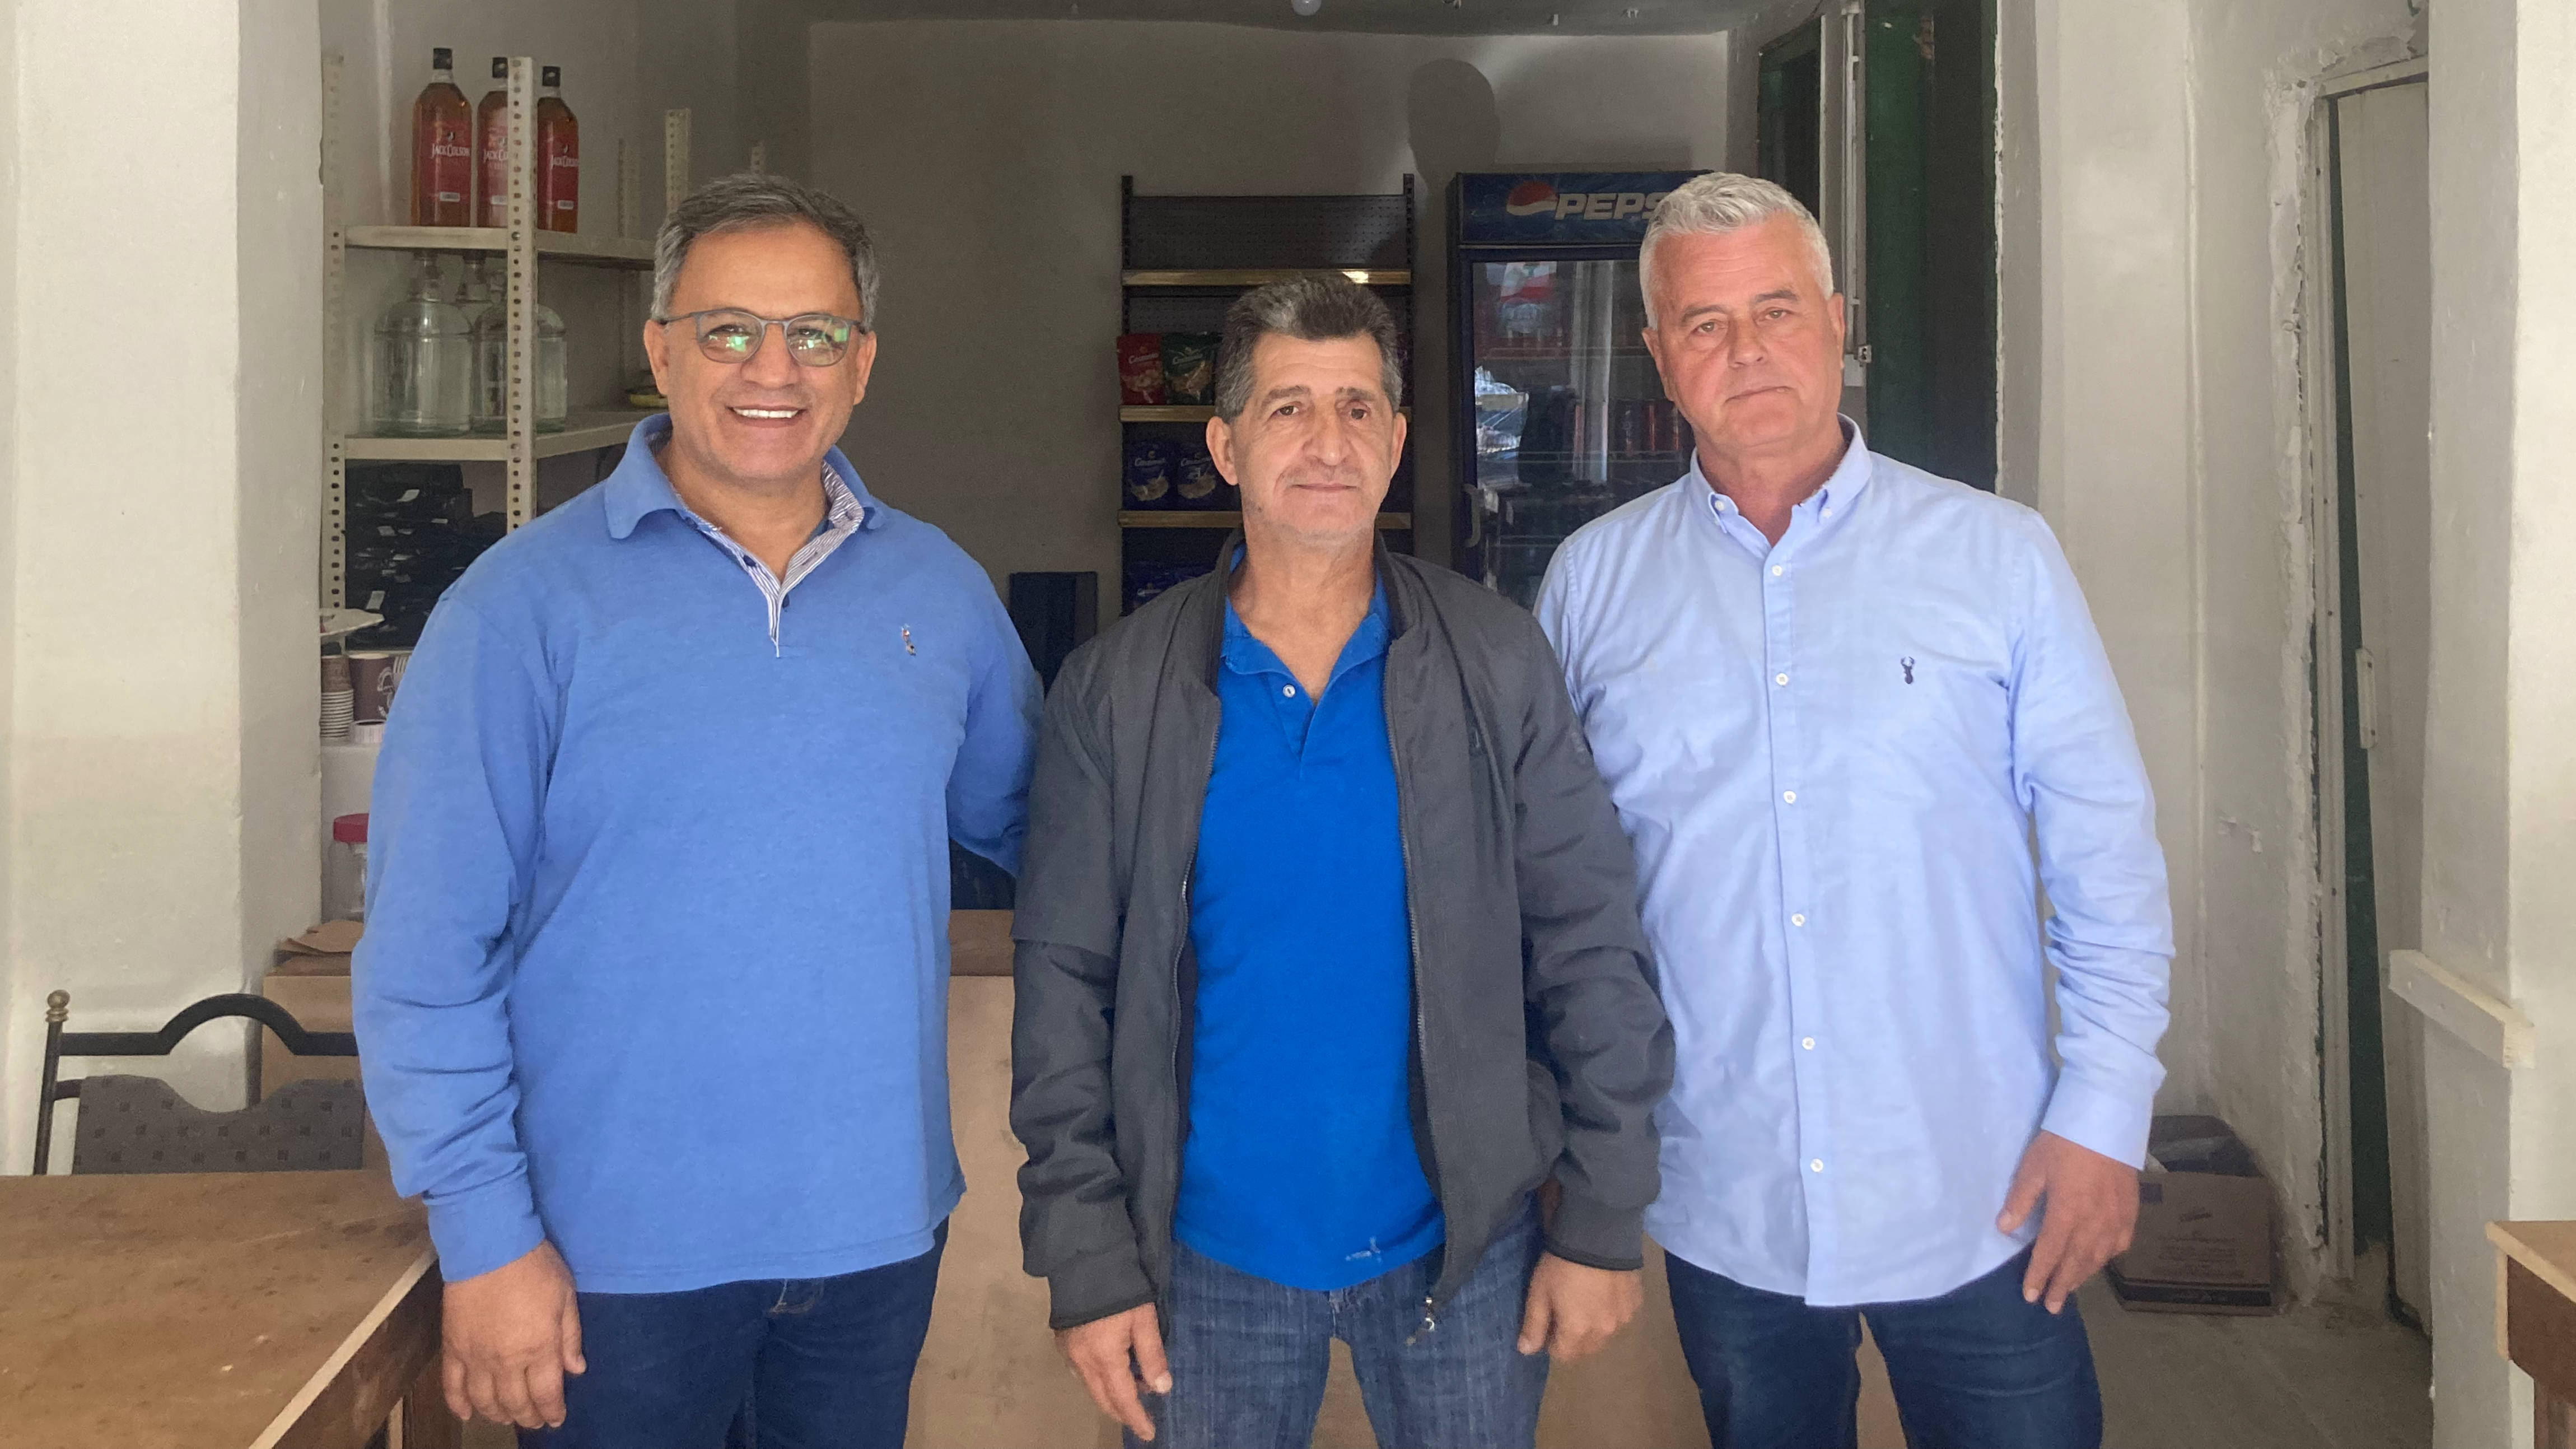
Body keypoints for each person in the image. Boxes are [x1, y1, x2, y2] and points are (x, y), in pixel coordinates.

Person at [353, 172, 1040, 1448]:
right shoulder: (516, 613)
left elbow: (1059, 837)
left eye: (814, 332)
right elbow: (424, 961)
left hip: (872, 1232)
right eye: (727, 328)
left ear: (863, 362)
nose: (770, 367)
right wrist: (485, 1235)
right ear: (661, 348)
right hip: (604, 1259)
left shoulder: (936, 595)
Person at [1535, 172, 2173, 1449]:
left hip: (1986, 1187)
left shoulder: (1996, 559)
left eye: (1774, 309)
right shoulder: (1590, 587)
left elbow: (2102, 850)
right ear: (1658, 358)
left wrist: (2103, 1113)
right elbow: (1554, 895)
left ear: (1836, 322)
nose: (1746, 350)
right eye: (1704, 325)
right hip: (1725, 1192)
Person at [1010, 273, 1673, 1449]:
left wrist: (1603, 1213)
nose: (1328, 443)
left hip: (1461, 1249)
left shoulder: (1492, 658)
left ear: (1400, 439)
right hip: (1197, 1265)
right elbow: (1063, 984)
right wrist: (1085, 1256)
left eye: (1359, 408)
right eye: (1287, 408)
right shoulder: (1115, 692)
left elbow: (1588, 933)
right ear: (1221, 446)